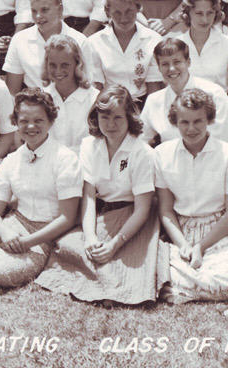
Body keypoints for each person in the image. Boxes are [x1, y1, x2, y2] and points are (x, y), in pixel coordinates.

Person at [37, 84, 160, 304]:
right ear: (96, 117)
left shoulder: (142, 152)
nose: (111, 125)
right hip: (102, 215)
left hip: (133, 219)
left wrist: (115, 244)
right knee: (68, 246)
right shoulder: (89, 145)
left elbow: (143, 209)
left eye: (118, 118)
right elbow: (89, 196)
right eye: (104, 117)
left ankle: (114, 283)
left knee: (125, 263)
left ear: (129, 118)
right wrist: (90, 236)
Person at [156, 87, 228, 302]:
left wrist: (201, 247)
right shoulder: (162, 154)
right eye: (184, 122)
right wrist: (184, 246)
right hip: (181, 231)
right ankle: (194, 283)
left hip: (222, 229)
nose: (191, 128)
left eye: (198, 121)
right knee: (161, 269)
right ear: (175, 122)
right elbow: (166, 210)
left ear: (209, 120)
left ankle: (190, 286)